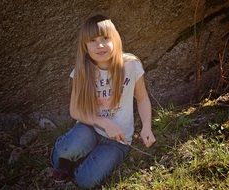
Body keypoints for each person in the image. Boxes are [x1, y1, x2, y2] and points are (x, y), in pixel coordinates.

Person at [51, 14, 156, 189]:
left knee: (86, 181)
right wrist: (103, 122)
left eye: (105, 38)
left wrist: (147, 126)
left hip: (118, 141)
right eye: (92, 40)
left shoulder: (131, 65)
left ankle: (79, 164)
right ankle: (62, 158)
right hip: (89, 129)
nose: (99, 45)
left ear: (115, 39)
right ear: (85, 46)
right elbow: (75, 111)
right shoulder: (81, 71)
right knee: (67, 149)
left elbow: (143, 98)